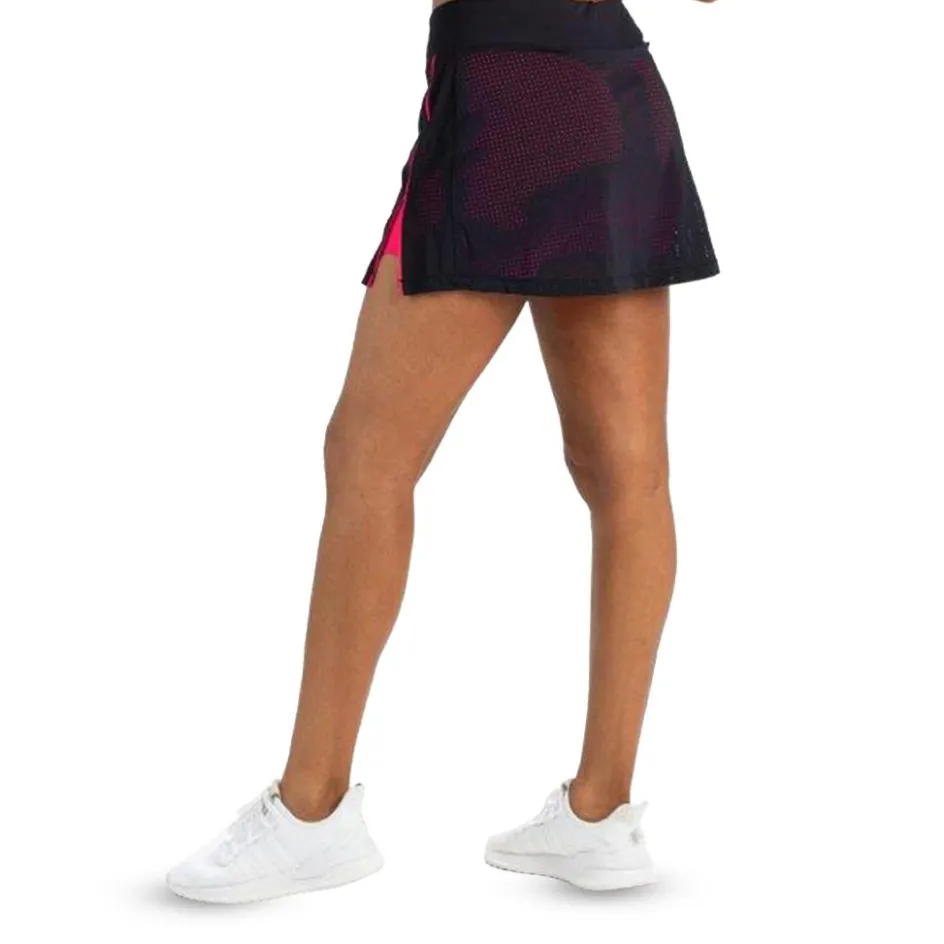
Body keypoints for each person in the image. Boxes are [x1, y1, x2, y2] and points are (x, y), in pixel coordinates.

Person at [167, 0, 719, 902]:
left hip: (507, 99)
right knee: (627, 476)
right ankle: (599, 816)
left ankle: (311, 812)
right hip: (606, 95)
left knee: (369, 456)